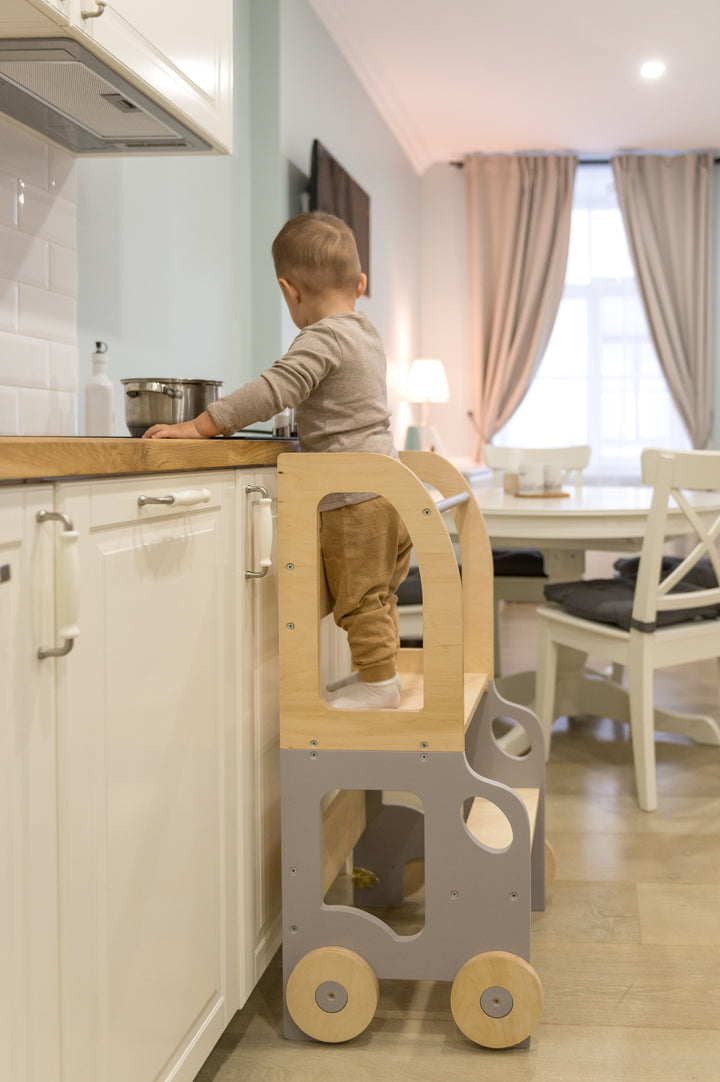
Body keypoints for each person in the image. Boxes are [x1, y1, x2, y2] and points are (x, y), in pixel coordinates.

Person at [143, 211, 412, 710]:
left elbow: (274, 390)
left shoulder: (323, 337)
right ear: (360, 284)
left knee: (359, 600)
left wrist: (201, 426)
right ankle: (382, 676)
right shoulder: (366, 332)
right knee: (377, 595)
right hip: (390, 489)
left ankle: (380, 685)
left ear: (290, 291)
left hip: (355, 499)